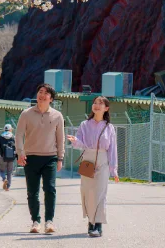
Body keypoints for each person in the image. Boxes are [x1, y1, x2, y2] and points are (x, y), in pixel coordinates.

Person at [66, 96, 119, 238]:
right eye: (95, 103)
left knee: (100, 193)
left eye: (100, 104)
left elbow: (112, 149)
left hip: (103, 160)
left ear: (106, 108)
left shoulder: (109, 127)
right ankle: (91, 222)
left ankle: (98, 225)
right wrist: (75, 141)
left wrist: (114, 170)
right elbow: (81, 143)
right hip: (87, 160)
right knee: (88, 192)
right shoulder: (84, 124)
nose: (96, 105)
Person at [16, 83, 65, 234]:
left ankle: (49, 221)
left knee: (50, 189)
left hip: (50, 157)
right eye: (40, 92)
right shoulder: (26, 114)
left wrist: (60, 158)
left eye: (46, 93)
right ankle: (35, 222)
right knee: (32, 192)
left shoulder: (57, 115)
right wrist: (20, 153)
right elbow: (19, 135)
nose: (42, 95)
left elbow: (60, 138)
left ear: (51, 99)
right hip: (30, 157)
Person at [0, 124, 16, 191]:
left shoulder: (1, 137)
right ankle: (8, 187)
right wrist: (16, 156)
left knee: (2, 171)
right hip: (11, 157)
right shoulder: (13, 137)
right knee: (9, 172)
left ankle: (4, 179)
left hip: (2, 157)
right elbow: (16, 146)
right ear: (10, 129)